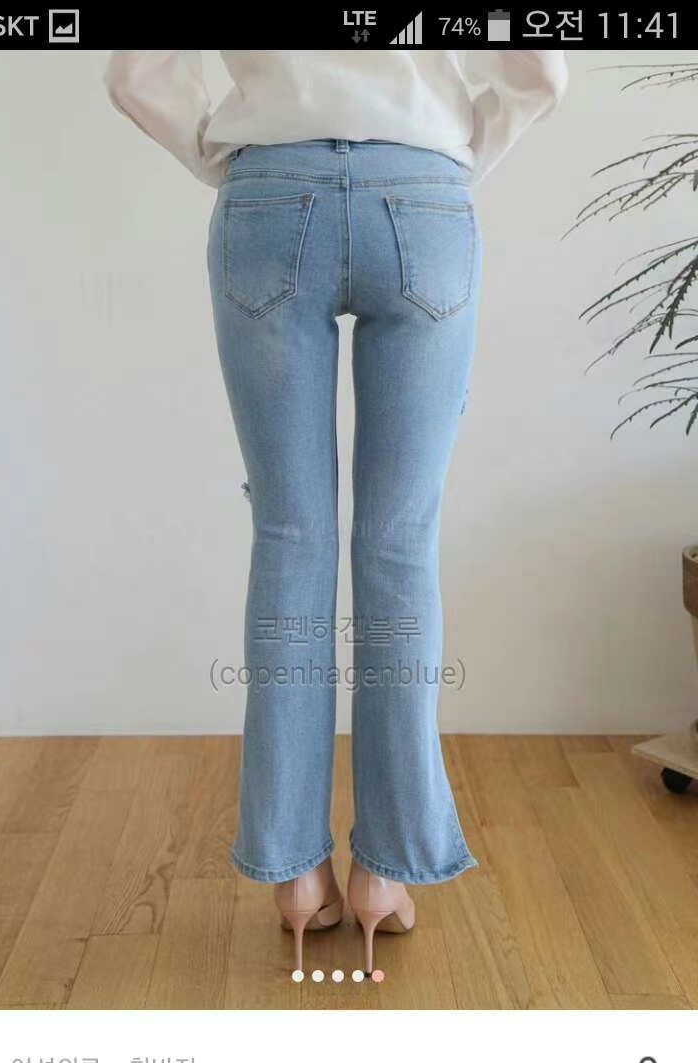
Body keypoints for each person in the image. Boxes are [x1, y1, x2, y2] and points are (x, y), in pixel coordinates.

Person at [103, 50, 569, 976]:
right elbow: (542, 71)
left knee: (290, 538)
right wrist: (448, 149)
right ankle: (384, 873)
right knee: (399, 546)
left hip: (270, 197)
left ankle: (294, 875)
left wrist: (228, 150)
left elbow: (134, 73)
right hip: (422, 195)